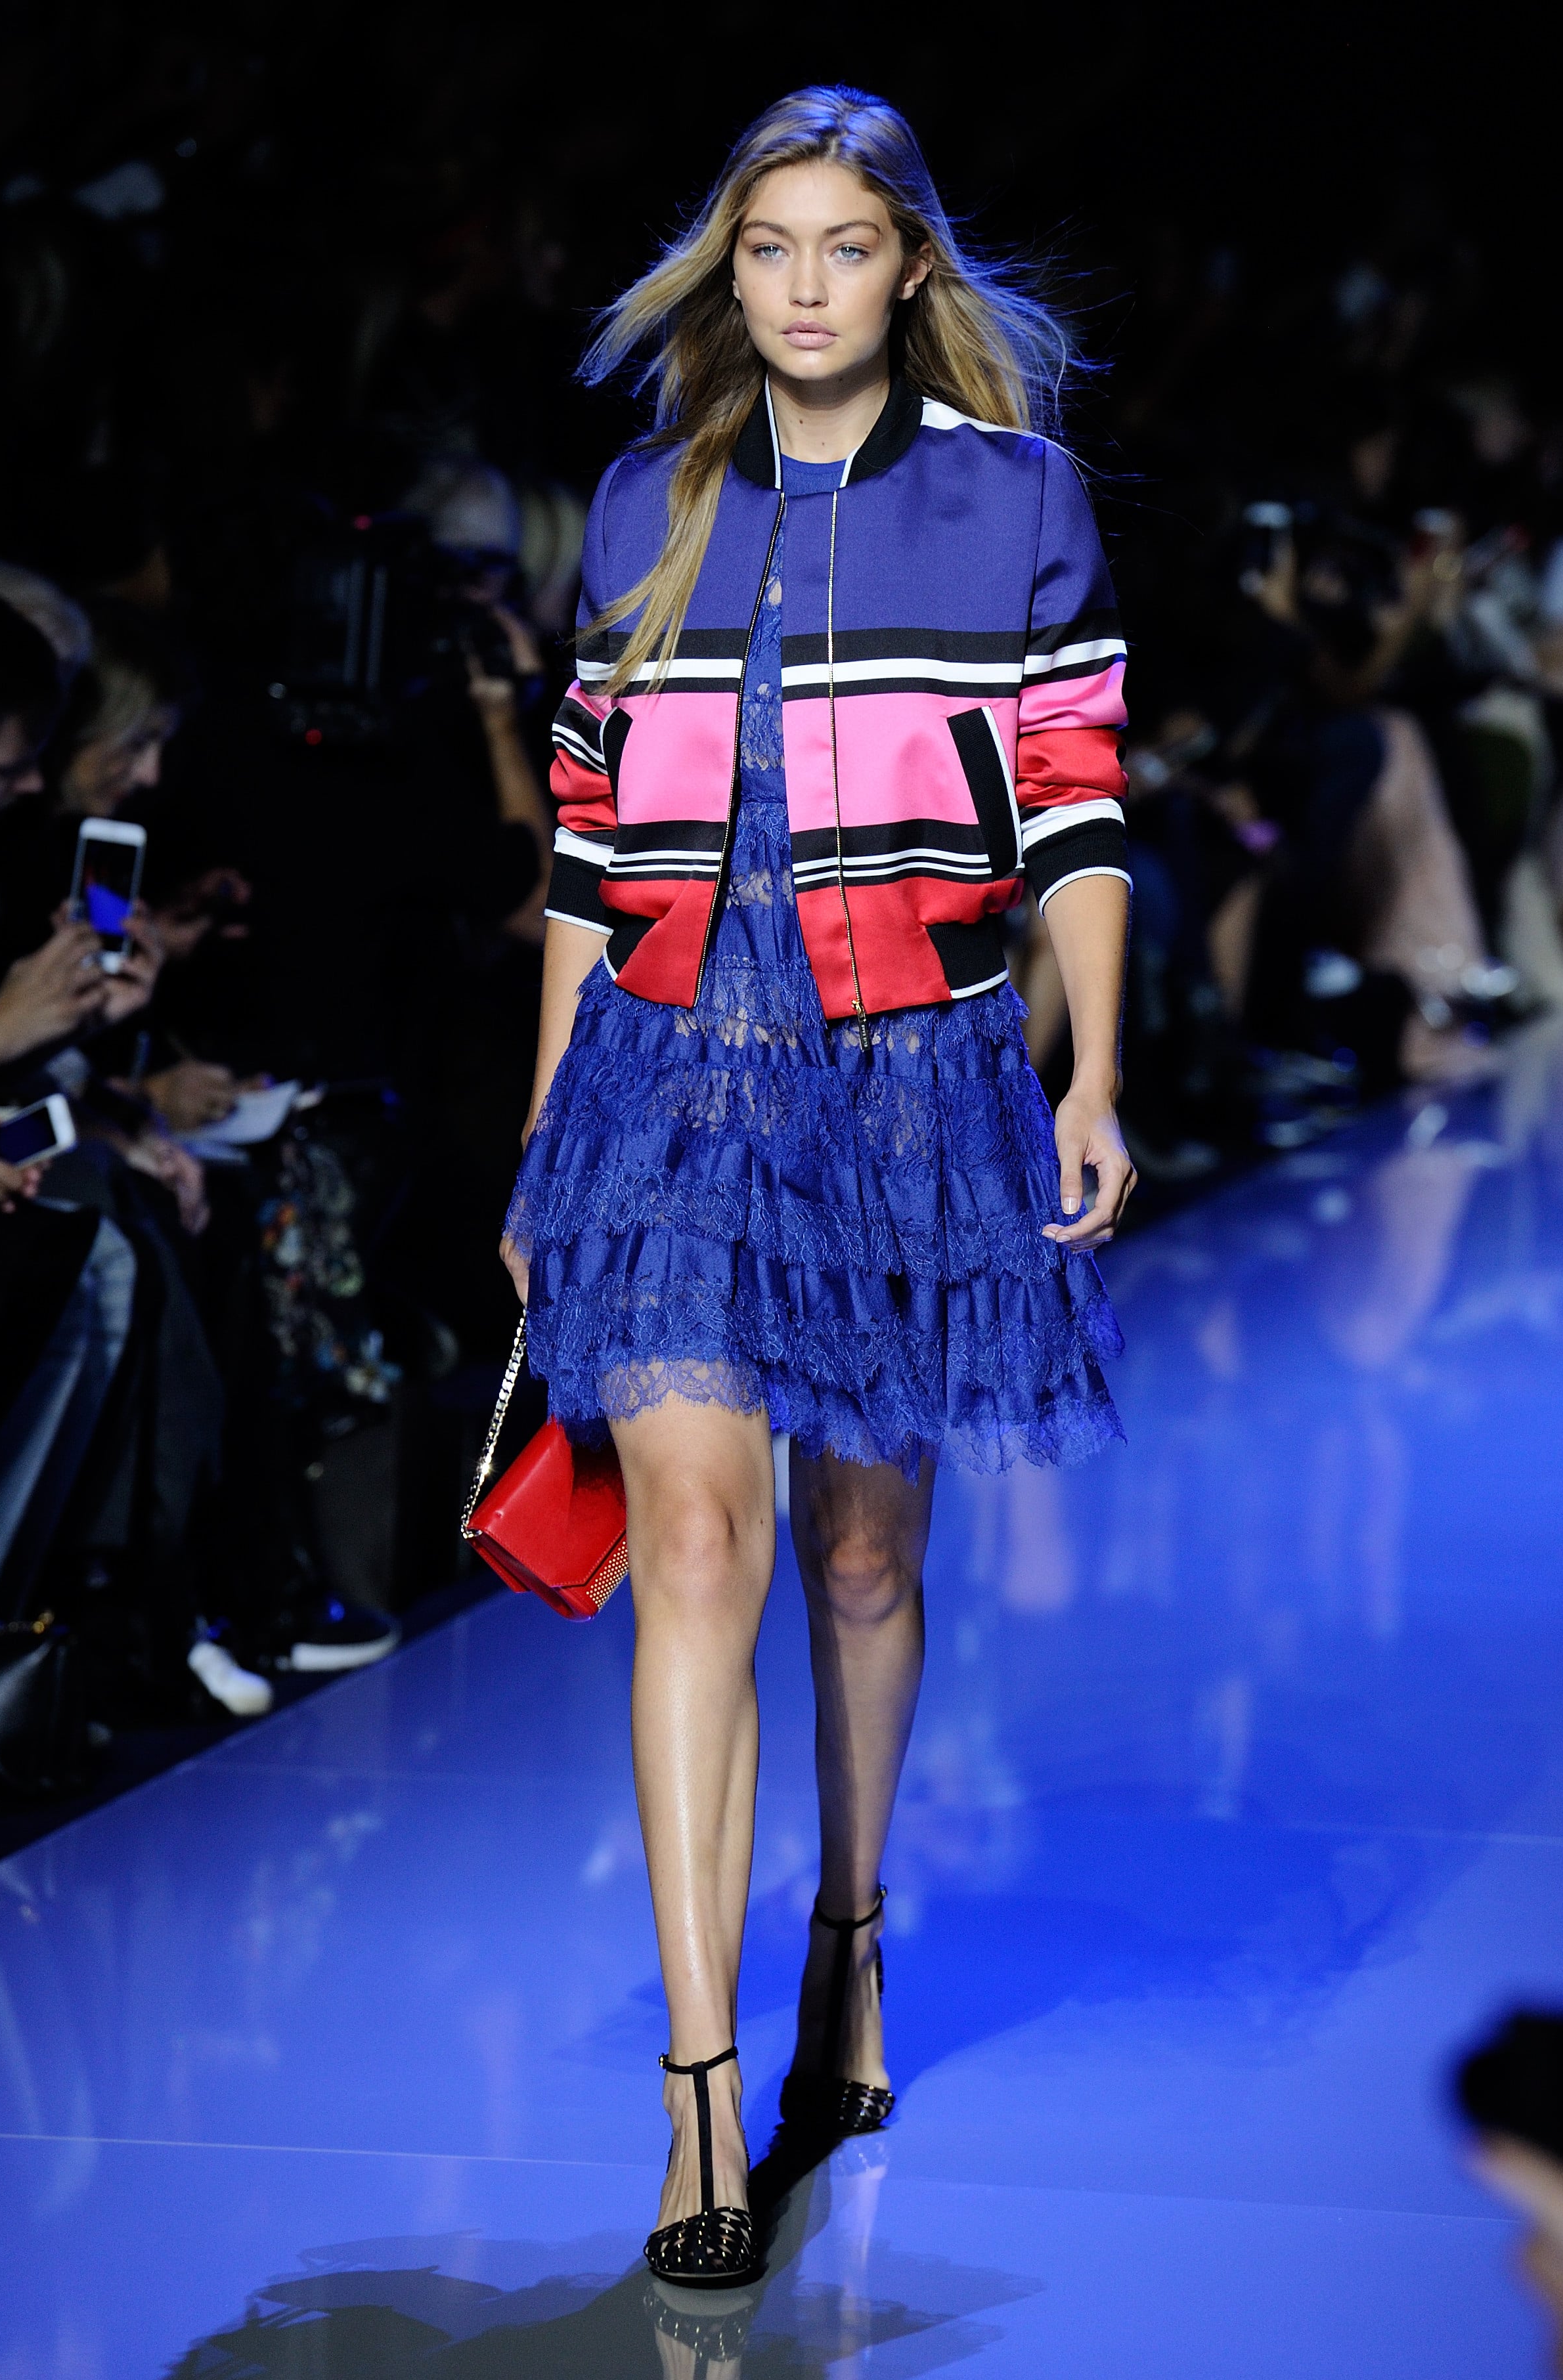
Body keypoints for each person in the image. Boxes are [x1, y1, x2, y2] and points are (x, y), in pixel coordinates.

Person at [499, 87, 1134, 2288]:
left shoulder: (1015, 500)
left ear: (908, 268)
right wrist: (545, 1136)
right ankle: (697, 2095)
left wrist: (1094, 1068)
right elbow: (585, 845)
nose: (799, 285)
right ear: (728, 267)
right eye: (765, 245)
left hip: (908, 1087)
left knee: (863, 1560)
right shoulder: (646, 501)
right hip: (669, 1081)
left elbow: (1072, 796)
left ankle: (846, 1936)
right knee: (694, 1542)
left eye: (842, 245)